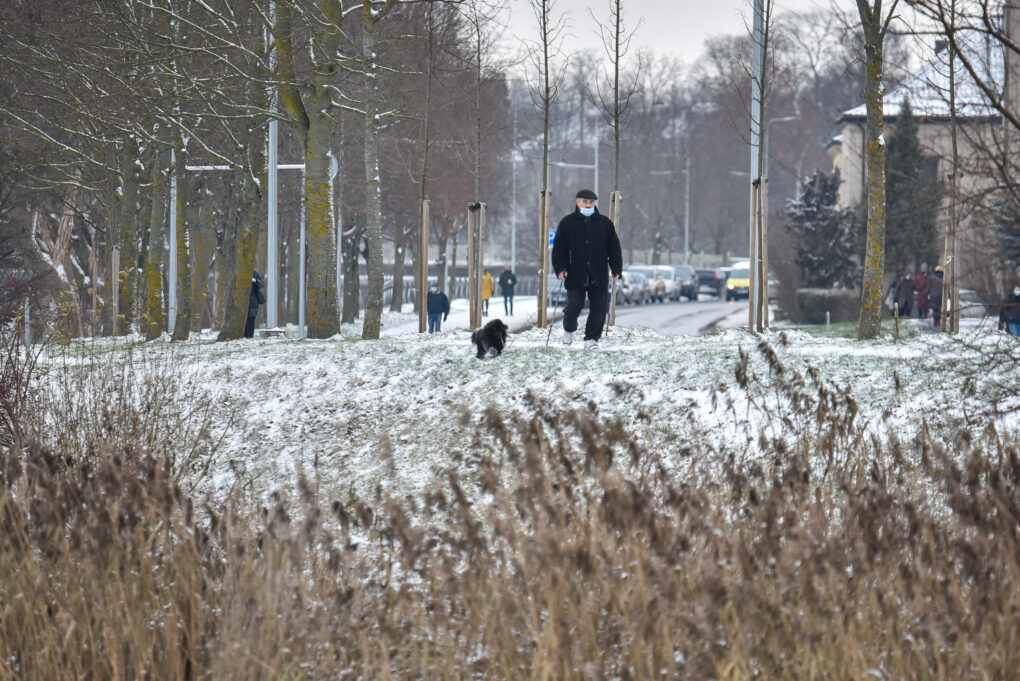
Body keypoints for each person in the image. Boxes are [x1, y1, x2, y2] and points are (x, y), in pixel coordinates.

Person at [551, 189, 623, 350]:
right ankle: (568, 330)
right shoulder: (567, 223)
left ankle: (591, 339)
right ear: (578, 202)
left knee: (599, 308)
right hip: (575, 273)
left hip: (599, 274)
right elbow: (559, 249)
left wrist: (616, 267)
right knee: (575, 306)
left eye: (591, 202)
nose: (588, 205)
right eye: (584, 202)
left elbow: (614, 248)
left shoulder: (605, 223)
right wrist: (560, 268)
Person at [245, 270, 266, 338]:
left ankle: (250, 336)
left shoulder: (254, 273)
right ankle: (245, 335)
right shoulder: (239, 272)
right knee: (245, 320)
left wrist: (255, 281)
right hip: (245, 301)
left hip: (253, 301)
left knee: (251, 320)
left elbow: (262, 284)